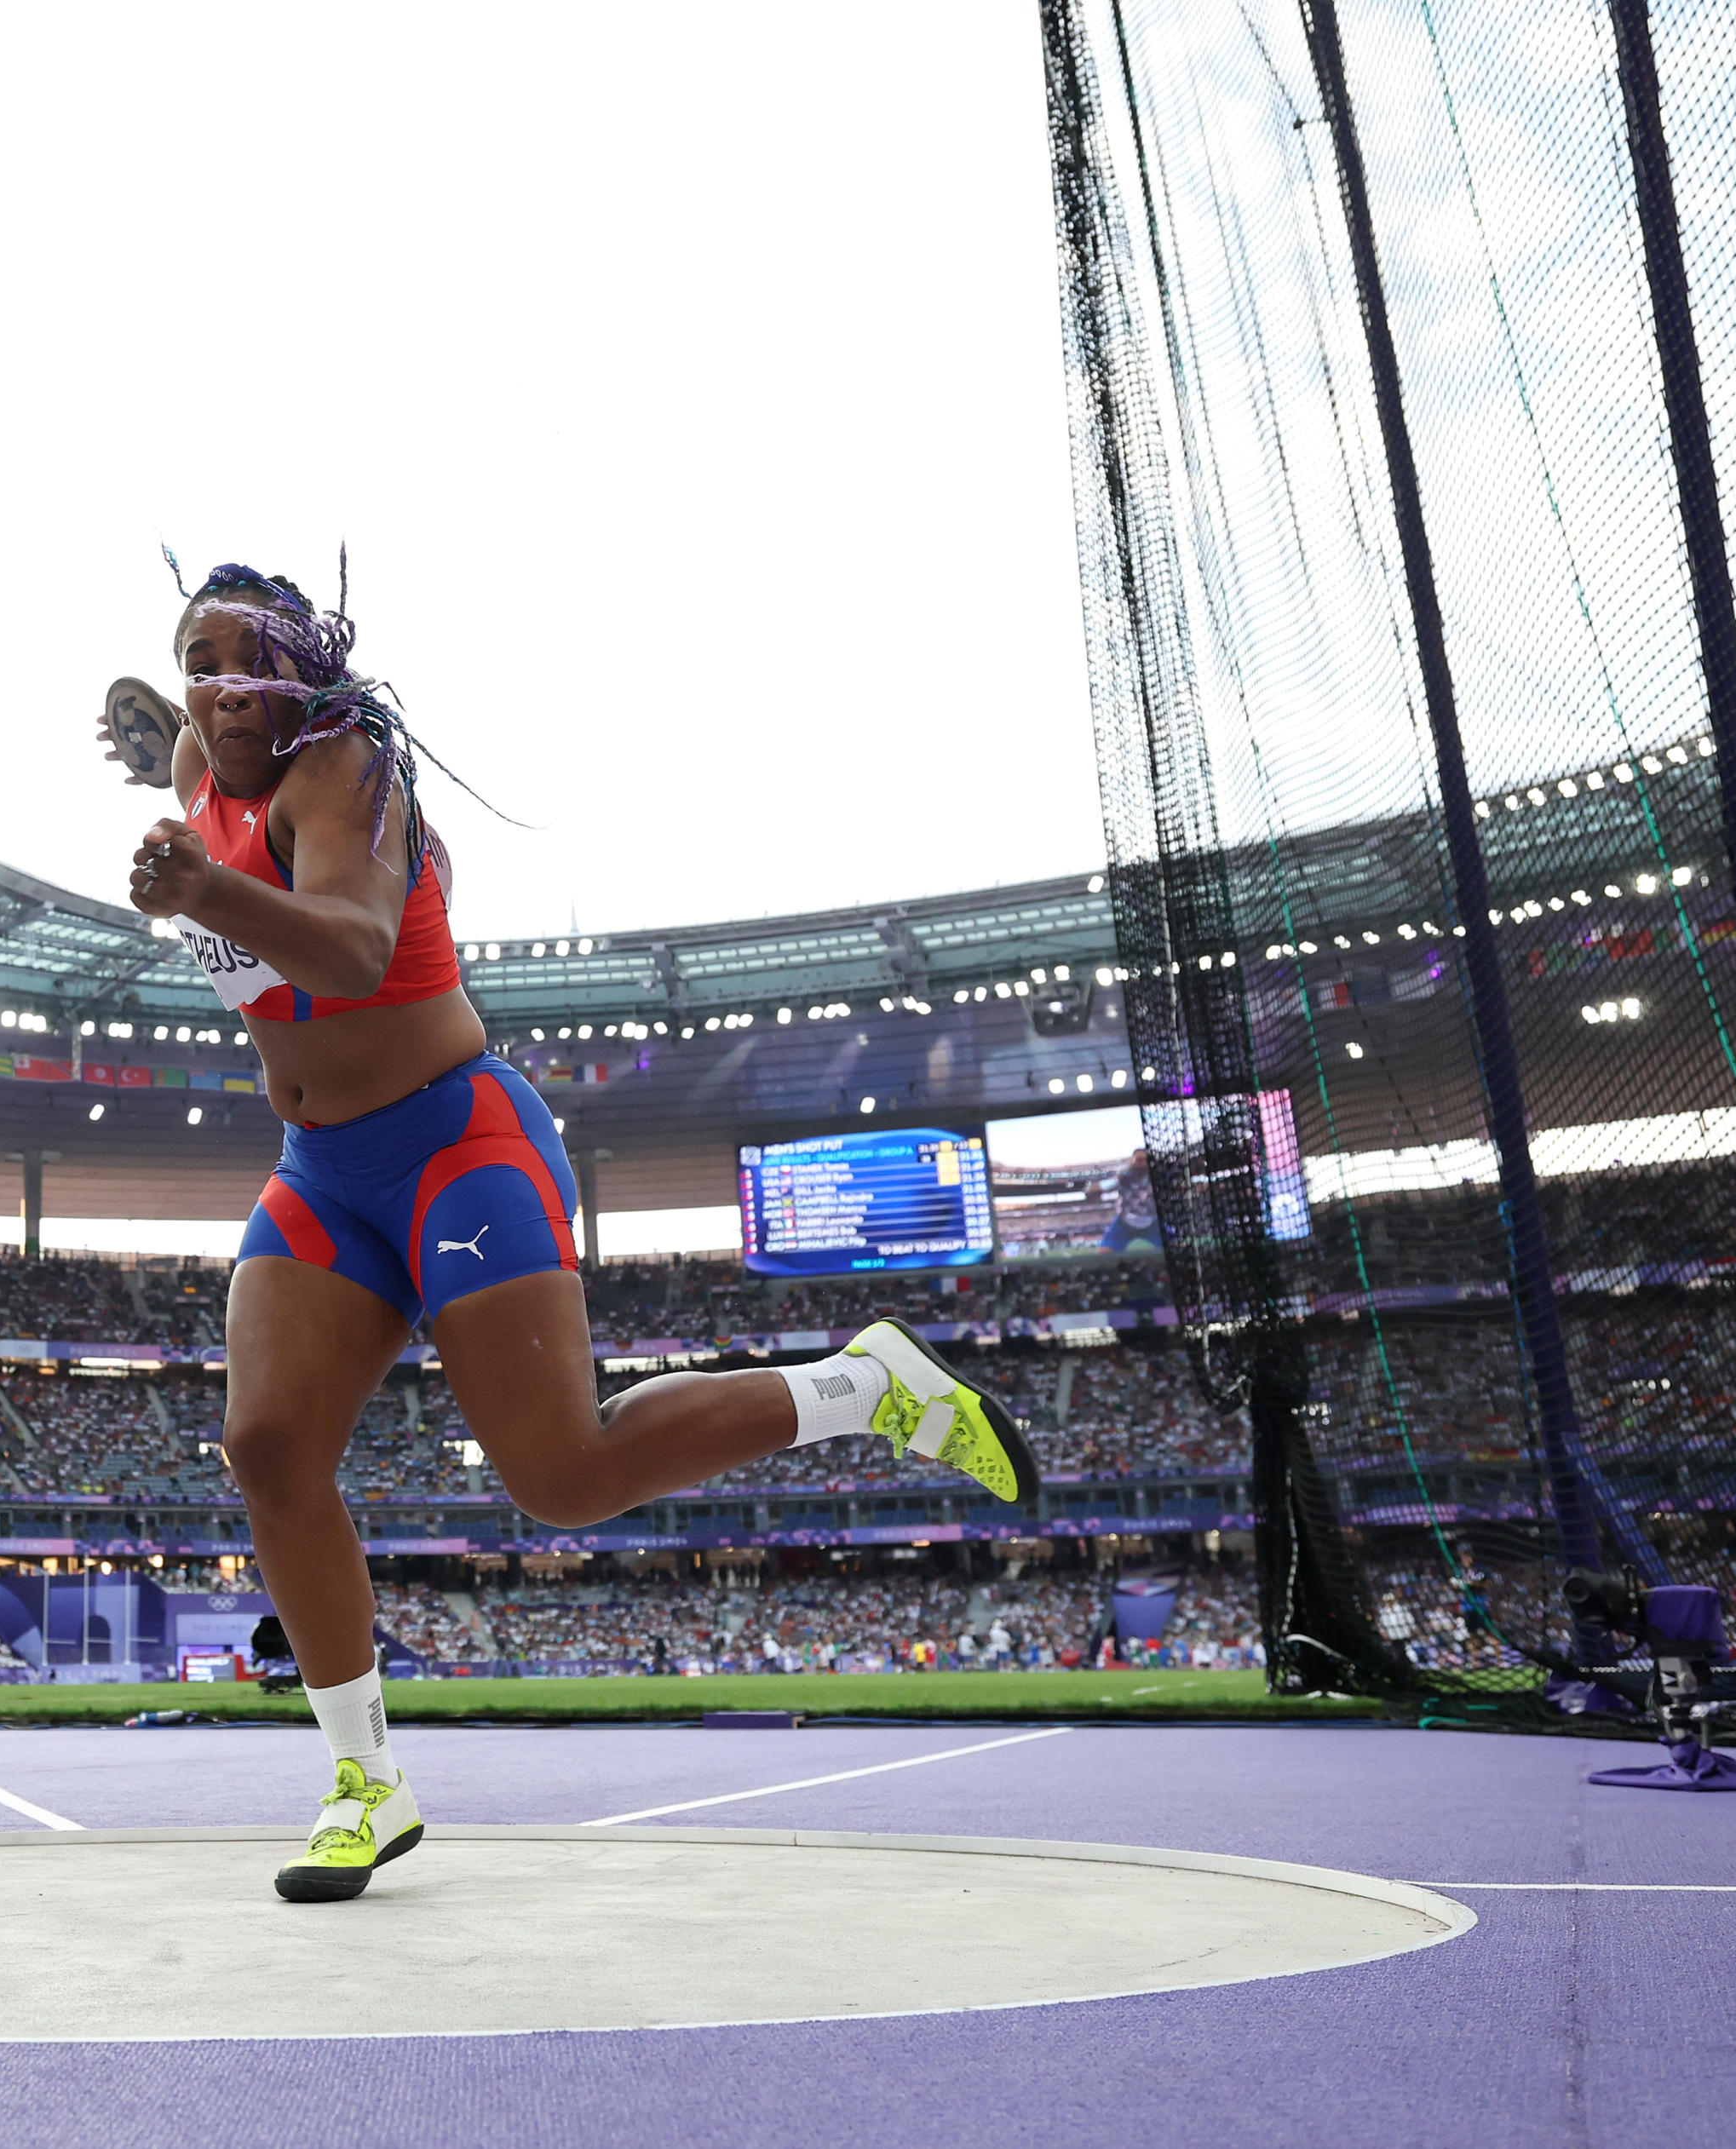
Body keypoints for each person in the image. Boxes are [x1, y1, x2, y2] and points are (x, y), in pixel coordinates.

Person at [101, 560, 1036, 1900]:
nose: (226, 686)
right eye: (202, 661)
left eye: (254, 660)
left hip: (454, 1144)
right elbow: (197, 777)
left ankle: (865, 1386)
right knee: (265, 1441)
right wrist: (157, 751)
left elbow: (355, 951)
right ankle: (367, 1781)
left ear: (309, 672)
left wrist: (200, 892)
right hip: (321, 1166)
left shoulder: (349, 768)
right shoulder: (201, 754)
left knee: (565, 1474)